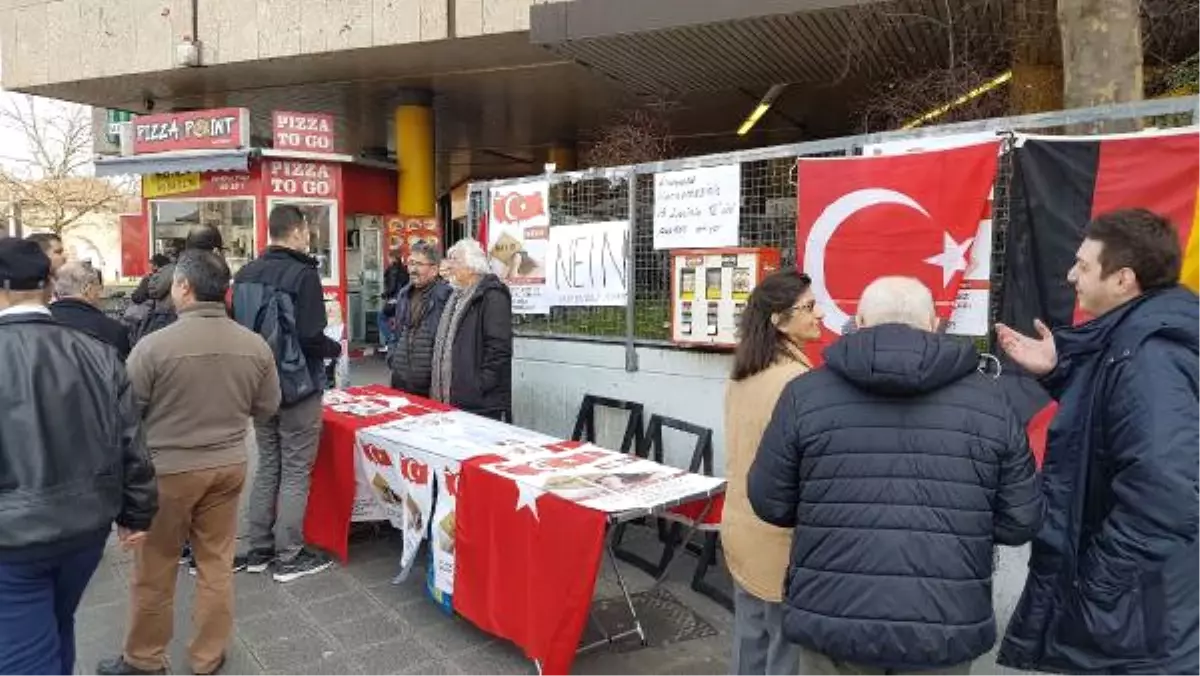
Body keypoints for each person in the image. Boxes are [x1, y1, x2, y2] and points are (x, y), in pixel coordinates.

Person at [748, 276, 1044, 676]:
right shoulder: (991, 401)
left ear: (858, 321)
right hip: (943, 625)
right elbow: (1020, 521)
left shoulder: (805, 394)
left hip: (834, 617)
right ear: (936, 323)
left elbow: (770, 502)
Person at [995, 208, 1200, 674]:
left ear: (1123, 278)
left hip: (1138, 620)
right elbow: (1112, 429)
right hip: (1136, 612)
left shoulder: (1150, 356)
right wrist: (1060, 369)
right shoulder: (1133, 342)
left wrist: (1099, 583)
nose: (1071, 275)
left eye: (1084, 265)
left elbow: (1164, 494)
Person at [97, 250, 279, 676]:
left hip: (167, 471)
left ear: (184, 287)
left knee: (155, 567)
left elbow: (125, 414)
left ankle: (144, 659)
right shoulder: (254, 345)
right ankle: (207, 657)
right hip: (229, 464)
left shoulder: (154, 347)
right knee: (216, 563)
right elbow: (268, 407)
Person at [0, 238, 157, 676]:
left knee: (23, 653)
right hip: (85, 528)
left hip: (12, 541)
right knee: (56, 624)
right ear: (50, 285)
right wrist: (137, 513)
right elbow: (132, 441)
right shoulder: (97, 352)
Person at [233, 204, 341, 582]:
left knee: (268, 464)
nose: (309, 237)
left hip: (259, 387)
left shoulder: (245, 274)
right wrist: (334, 349)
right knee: (296, 469)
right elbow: (311, 336)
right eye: (307, 231)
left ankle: (259, 549)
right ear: (297, 232)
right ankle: (289, 555)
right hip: (298, 387)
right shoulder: (303, 274)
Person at [722, 270, 822, 676]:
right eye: (809, 307)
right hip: (781, 542)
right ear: (779, 320)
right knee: (786, 653)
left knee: (750, 640)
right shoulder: (797, 382)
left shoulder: (743, 373)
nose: (819, 315)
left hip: (741, 529)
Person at [430, 238, 513, 420]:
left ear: (472, 266)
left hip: (479, 404)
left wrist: (479, 385)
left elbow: (499, 349)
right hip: (452, 399)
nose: (449, 265)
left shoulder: (492, 296)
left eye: (455, 260)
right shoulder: (455, 296)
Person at [386, 241, 452, 397]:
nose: (413, 270)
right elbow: (396, 333)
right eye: (410, 263)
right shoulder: (404, 294)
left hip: (430, 386)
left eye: (419, 264)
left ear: (434, 269)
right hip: (400, 381)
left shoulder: (446, 296)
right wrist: (393, 358)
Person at [50, 261, 132, 360]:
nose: (100, 294)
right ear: (87, 289)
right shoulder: (112, 330)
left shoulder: (41, 322)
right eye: (98, 288)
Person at [378, 247, 411, 348]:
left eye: (389, 257)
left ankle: (391, 340)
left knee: (381, 318)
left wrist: (384, 295)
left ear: (392, 258)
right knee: (398, 321)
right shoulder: (405, 269)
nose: (388, 259)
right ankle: (397, 341)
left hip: (394, 299)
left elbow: (392, 287)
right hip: (403, 300)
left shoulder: (393, 269)